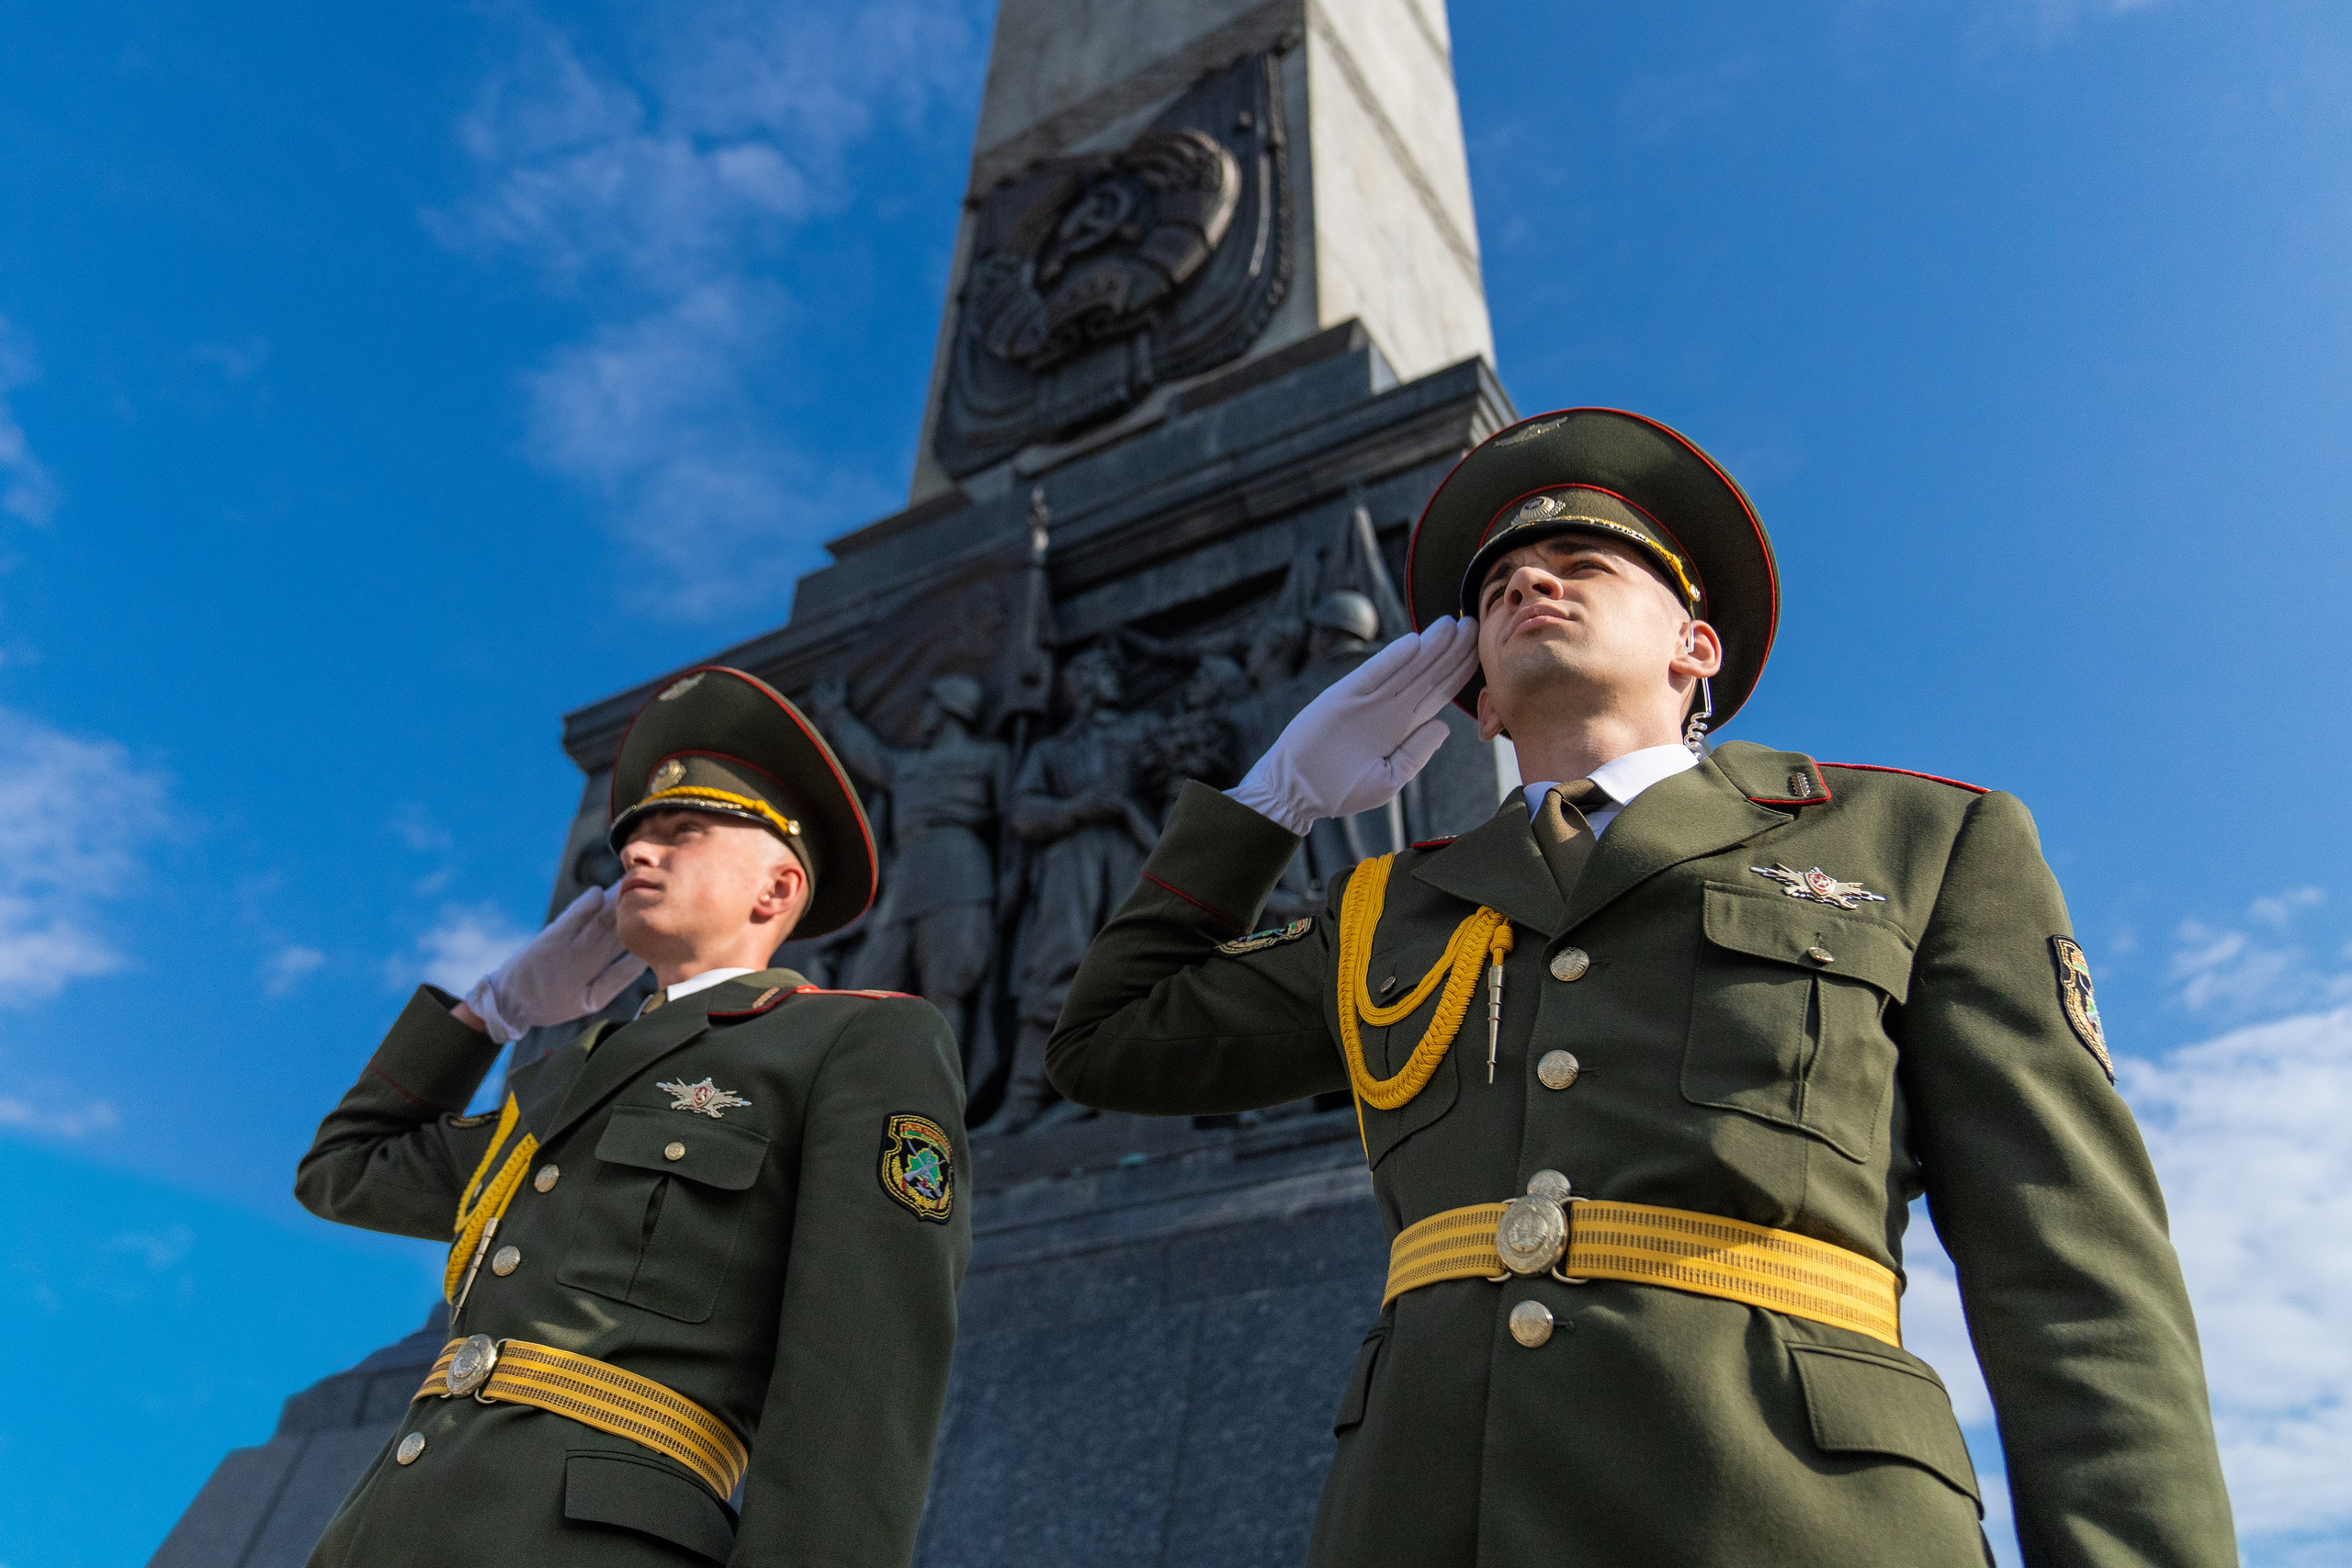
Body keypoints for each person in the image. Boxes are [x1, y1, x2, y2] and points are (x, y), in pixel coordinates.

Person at [1046, 410, 2235, 1566]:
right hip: (1424, 1512)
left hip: (1790, 1509)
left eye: (1582, 562)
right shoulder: (1386, 907)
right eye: (1498, 585)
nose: (1528, 585)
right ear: (1481, 702)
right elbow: (1103, 1042)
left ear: (1694, 646)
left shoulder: (1916, 842)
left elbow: (2075, 1276)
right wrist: (1276, 797)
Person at [296, 665, 971, 1568]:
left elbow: (864, 1375)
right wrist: (490, 1013)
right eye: (634, 842)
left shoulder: (849, 1043)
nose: (638, 857)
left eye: (681, 834)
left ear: (774, 891)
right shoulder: (564, 1080)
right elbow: (343, 1172)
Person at [808, 671, 1010, 1089]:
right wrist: (835, 715)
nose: (926, 713)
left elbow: (1013, 824)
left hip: (961, 871)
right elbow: (870, 756)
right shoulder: (909, 765)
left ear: (952, 710)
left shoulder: (990, 757)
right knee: (869, 988)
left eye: (933, 704)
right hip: (907, 879)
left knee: (948, 988)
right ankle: (857, 1098)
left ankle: (941, 1099)